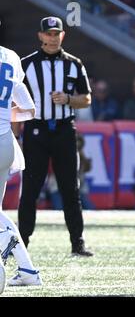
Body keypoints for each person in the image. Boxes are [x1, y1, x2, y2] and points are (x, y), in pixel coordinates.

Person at [15, 17, 94, 256]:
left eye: (55, 33)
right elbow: (14, 101)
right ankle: (22, 245)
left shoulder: (74, 64)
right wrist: (18, 134)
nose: (52, 37)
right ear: (40, 36)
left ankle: (77, 243)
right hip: (35, 130)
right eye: (47, 33)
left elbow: (87, 98)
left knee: (70, 188)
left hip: (63, 130)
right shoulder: (26, 64)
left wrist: (68, 99)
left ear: (63, 35)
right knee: (30, 189)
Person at [0, 44, 42, 289]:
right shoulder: (10, 56)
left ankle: (10, 252)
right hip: (5, 141)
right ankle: (28, 270)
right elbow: (29, 109)